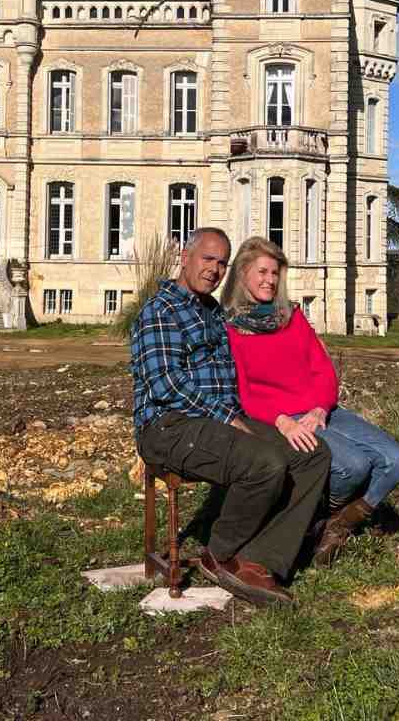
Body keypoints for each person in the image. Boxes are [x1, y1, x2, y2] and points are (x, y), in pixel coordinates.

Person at [130, 227, 331, 606]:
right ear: (185, 257)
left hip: (219, 421)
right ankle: (218, 553)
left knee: (313, 455)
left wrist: (277, 410)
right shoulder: (160, 310)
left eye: (222, 263)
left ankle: (260, 559)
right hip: (169, 427)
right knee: (266, 463)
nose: (214, 269)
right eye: (208, 259)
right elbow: (166, 385)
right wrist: (230, 418)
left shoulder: (211, 312)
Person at [221, 236, 399, 566]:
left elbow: (322, 369)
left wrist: (321, 408)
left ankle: (335, 524)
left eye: (275, 272)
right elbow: (243, 391)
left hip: (320, 410)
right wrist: (282, 420)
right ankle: (317, 518)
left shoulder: (291, 318)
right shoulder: (231, 329)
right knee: (352, 466)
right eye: (262, 271)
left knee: (397, 461)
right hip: (279, 418)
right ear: (242, 274)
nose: (270, 279)